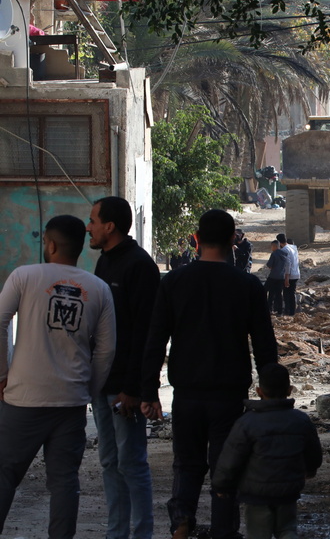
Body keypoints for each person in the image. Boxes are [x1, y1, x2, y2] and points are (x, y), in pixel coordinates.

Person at [141, 209, 278, 539]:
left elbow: (156, 339)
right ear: (233, 241)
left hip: (186, 392)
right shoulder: (246, 285)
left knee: (186, 464)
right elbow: (264, 344)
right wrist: (271, 393)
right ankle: (222, 531)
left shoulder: (173, 282)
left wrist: (148, 392)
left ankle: (182, 520)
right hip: (229, 395)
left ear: (197, 240)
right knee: (225, 469)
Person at [0, 215, 117, 538]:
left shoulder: (24, 276)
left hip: (23, 398)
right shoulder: (98, 288)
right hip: (70, 403)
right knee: (65, 482)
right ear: (80, 247)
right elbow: (106, 351)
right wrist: (88, 390)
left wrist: (2, 374)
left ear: (50, 244)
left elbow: (0, 321)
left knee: (5, 474)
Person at [87, 196, 159, 539]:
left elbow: (146, 334)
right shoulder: (105, 263)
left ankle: (141, 533)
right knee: (109, 463)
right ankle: (117, 533)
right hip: (102, 384)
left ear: (109, 226)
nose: (89, 227)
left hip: (124, 389)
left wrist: (136, 389)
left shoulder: (139, 266)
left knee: (131, 463)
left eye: (93, 221)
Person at [212, 363, 322, 539]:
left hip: (256, 495)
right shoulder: (301, 420)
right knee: (287, 529)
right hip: (288, 491)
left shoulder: (246, 423)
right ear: (290, 390)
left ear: (258, 391)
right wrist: (310, 469)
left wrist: (221, 485)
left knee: (258, 534)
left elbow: (230, 458)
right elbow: (313, 453)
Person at [265, 235, 292, 315]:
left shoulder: (274, 254)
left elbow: (269, 265)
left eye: (271, 247)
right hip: (281, 277)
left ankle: (268, 308)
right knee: (279, 294)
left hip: (273, 276)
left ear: (274, 246)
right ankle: (280, 312)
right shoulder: (285, 253)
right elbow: (287, 265)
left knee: (265, 291)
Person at [283, 237, 301, 316]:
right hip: (296, 274)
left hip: (289, 275)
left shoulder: (286, 250)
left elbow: (288, 265)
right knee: (292, 293)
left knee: (287, 294)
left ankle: (288, 311)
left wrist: (286, 278)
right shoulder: (294, 249)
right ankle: (292, 311)